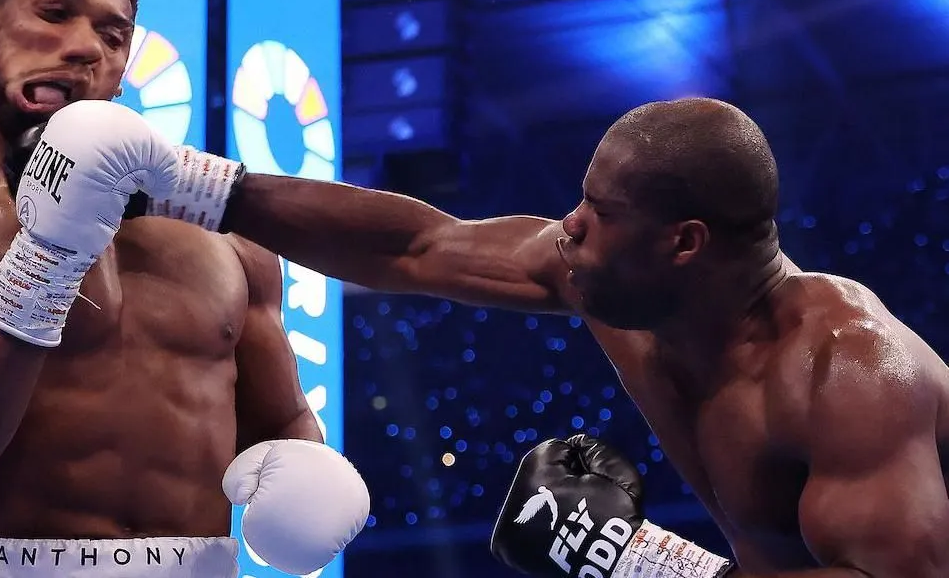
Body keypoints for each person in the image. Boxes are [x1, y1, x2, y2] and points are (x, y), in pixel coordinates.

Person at [156, 97, 949, 576]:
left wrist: (637, 560)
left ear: (684, 242)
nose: (566, 225)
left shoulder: (846, 369)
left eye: (600, 212)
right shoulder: (607, 280)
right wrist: (191, 186)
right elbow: (415, 247)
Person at [0, 0, 368, 578]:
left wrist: (311, 478)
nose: (83, 46)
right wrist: (44, 262)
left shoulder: (227, 239)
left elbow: (282, 423)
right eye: (54, 12)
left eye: (113, 36)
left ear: (122, 72)